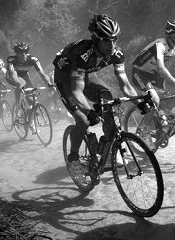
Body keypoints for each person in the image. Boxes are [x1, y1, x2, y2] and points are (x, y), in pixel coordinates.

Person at [53, 14, 152, 179]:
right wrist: (89, 111)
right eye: (106, 40)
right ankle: (74, 158)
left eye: (115, 40)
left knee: (108, 105)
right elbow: (77, 90)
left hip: (87, 76)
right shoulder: (82, 53)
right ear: (96, 39)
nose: (111, 45)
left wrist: (140, 101)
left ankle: (105, 147)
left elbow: (125, 85)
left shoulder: (117, 54)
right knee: (83, 120)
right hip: (66, 80)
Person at [130, 20, 175, 128]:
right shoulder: (160, 45)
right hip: (139, 73)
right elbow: (161, 68)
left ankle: (169, 118)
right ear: (174, 36)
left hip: (152, 74)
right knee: (155, 99)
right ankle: (143, 132)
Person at [6, 41, 54, 111]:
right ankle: (18, 108)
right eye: (20, 52)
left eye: (25, 52)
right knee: (21, 84)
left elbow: (43, 74)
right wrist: (20, 85)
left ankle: (29, 113)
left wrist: (49, 83)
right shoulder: (12, 60)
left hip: (24, 75)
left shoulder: (33, 60)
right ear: (17, 53)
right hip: (11, 76)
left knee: (32, 100)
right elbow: (14, 76)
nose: (23, 54)